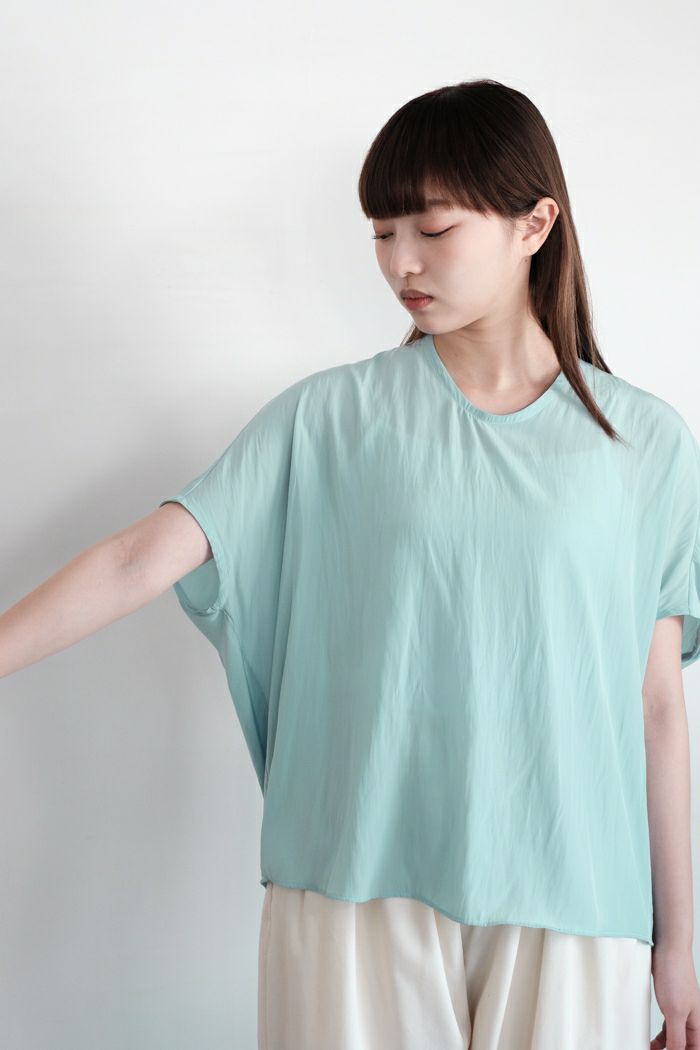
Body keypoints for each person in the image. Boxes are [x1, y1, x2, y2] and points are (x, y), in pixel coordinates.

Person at [2, 78, 699, 1050]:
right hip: (358, 885)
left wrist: (680, 940)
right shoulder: (329, 418)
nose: (400, 262)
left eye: (432, 228)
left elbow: (656, 703)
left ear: (535, 224)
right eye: (381, 232)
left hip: (579, 899)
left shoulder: (646, 445)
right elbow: (138, 559)